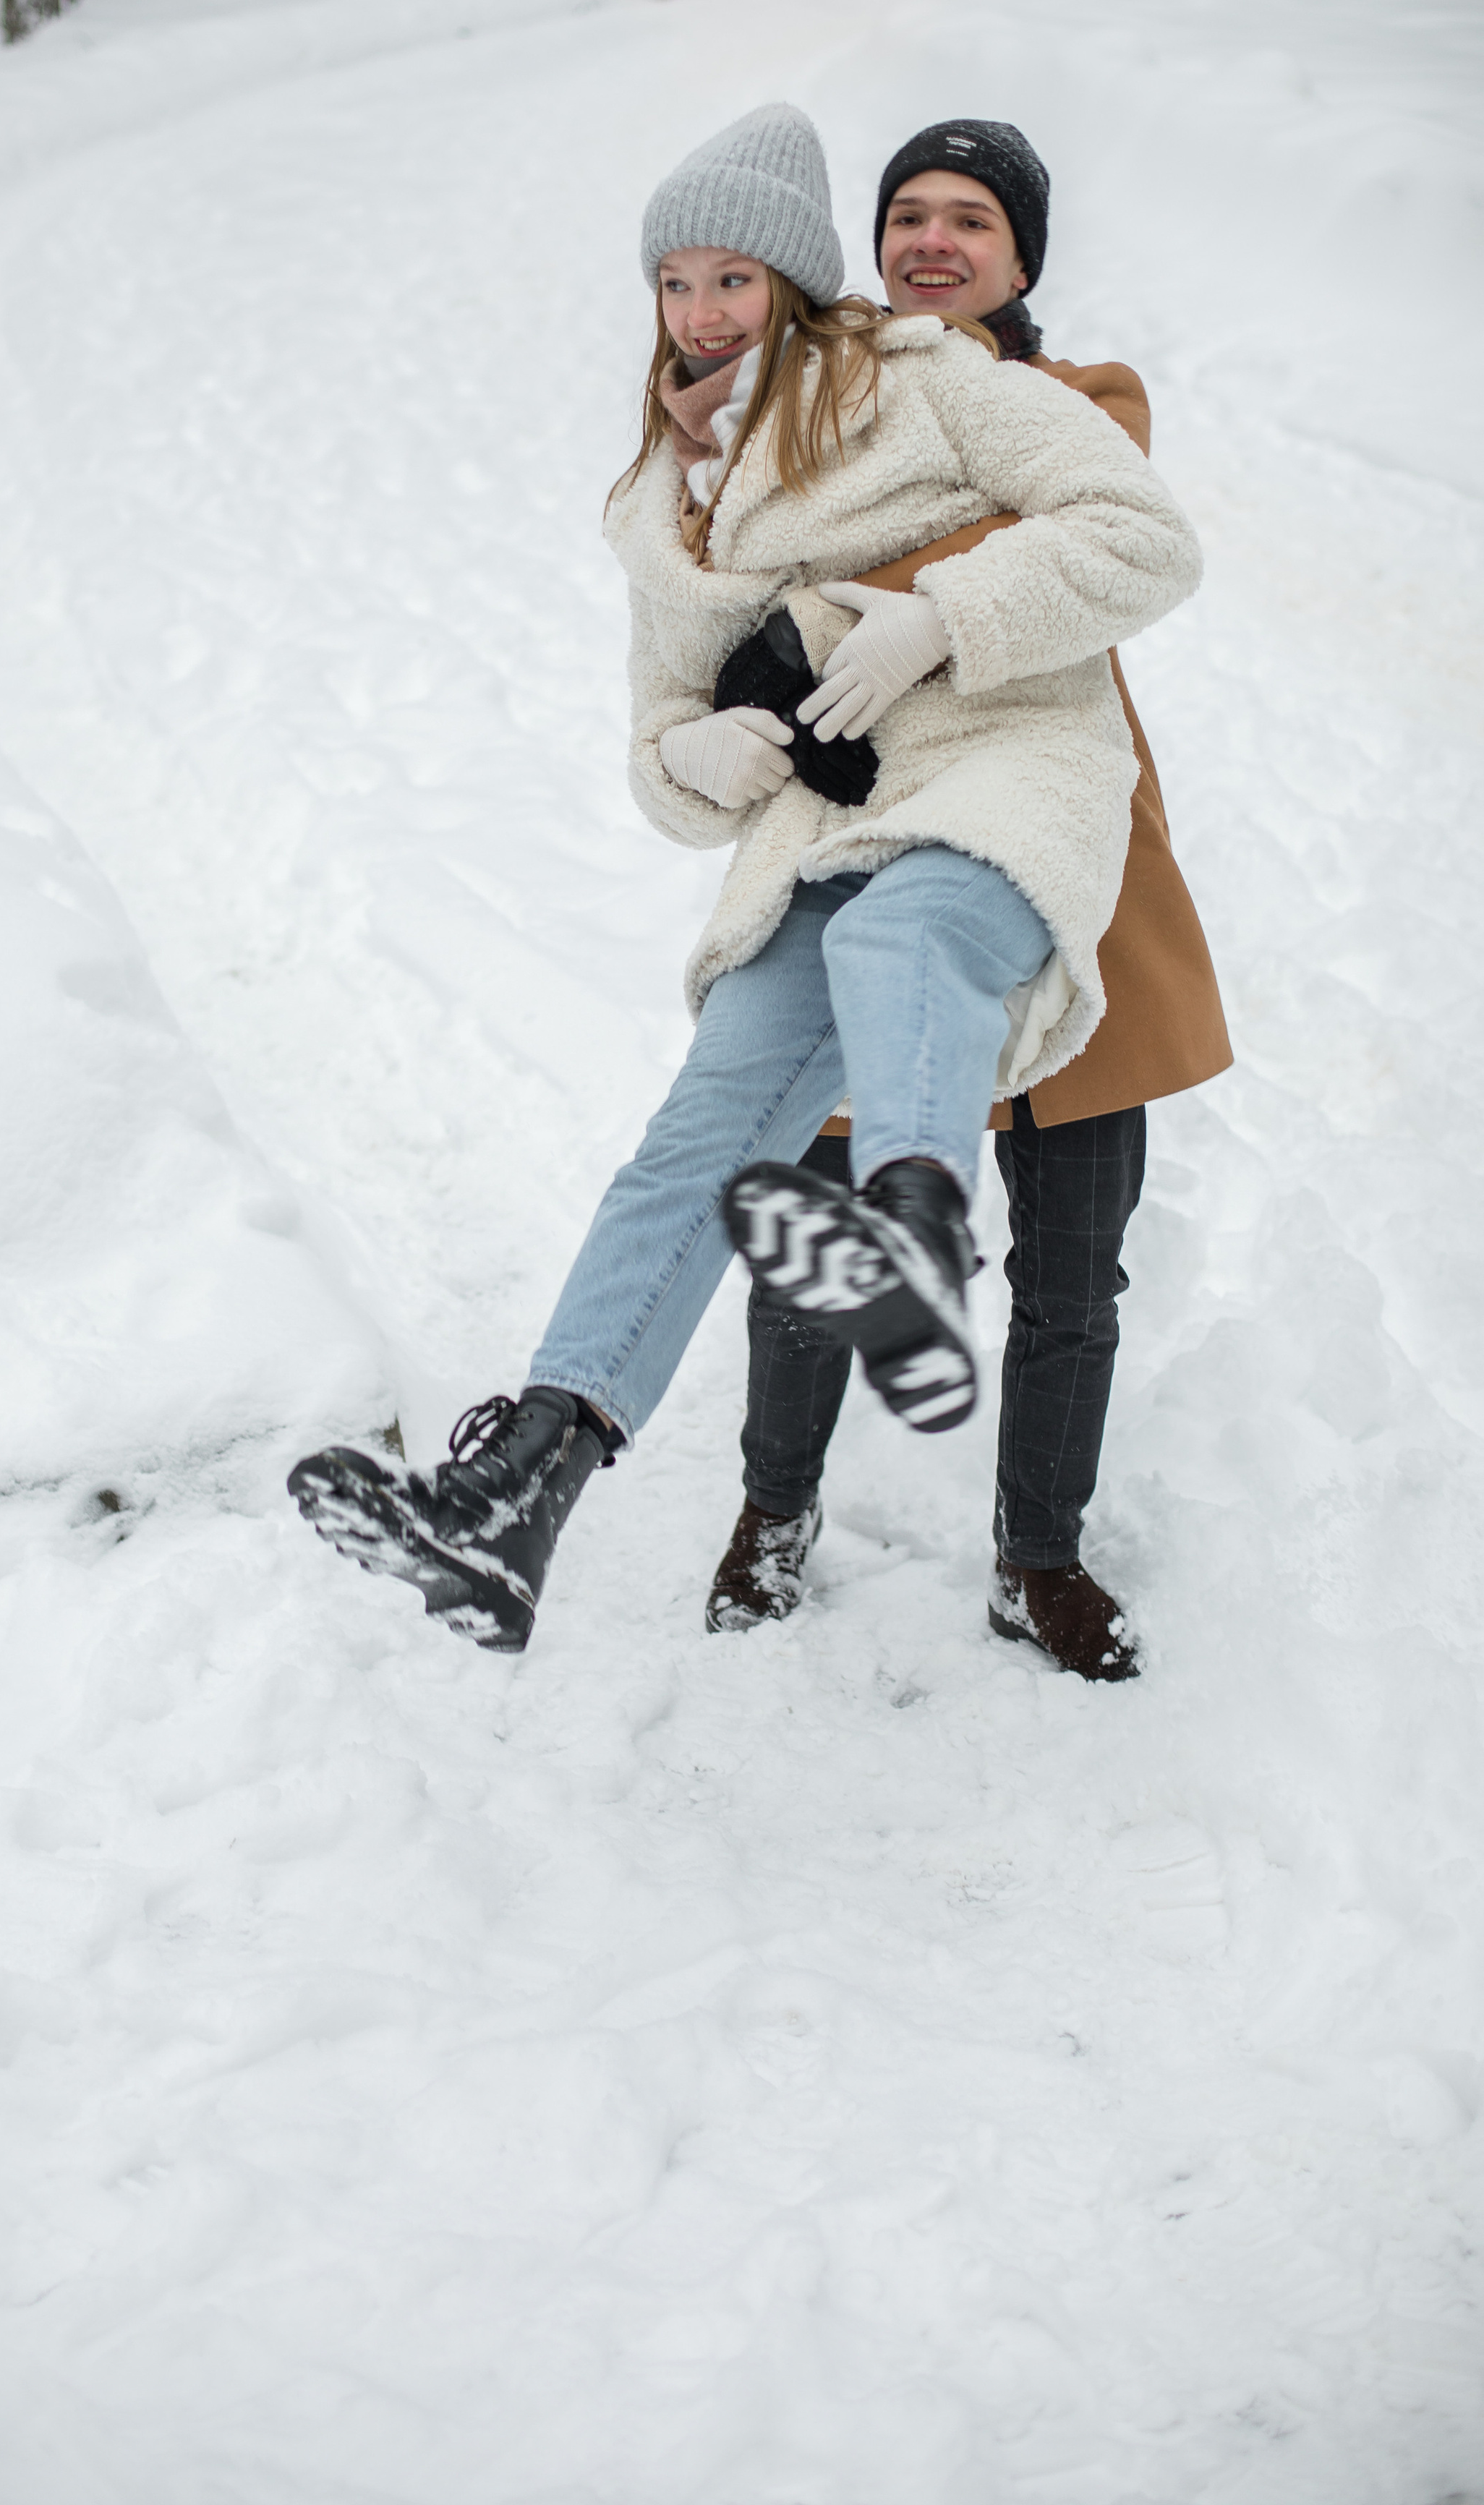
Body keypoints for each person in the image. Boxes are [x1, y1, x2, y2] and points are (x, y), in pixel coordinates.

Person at [289, 104, 1203, 1656]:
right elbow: (659, 735)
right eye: (672, 282)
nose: (701, 311)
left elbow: (1140, 531)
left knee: (912, 937)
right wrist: (694, 755)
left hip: (993, 776)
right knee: (697, 1133)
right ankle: (520, 1488)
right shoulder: (663, 498)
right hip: (817, 836)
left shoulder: (930, 374)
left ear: (792, 282)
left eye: (733, 278)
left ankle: (909, 1236)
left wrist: (939, 619)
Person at [706, 119, 1232, 1680]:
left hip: (1065, 879)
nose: (932, 241)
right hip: (866, 869)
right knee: (823, 1226)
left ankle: (1036, 1559)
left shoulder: (1084, 407)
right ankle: (769, 1511)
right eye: (907, 217)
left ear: (1020, 259)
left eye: (971, 220)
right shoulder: (812, 411)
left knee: (1071, 1270)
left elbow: (1064, 529)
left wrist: (833, 606)